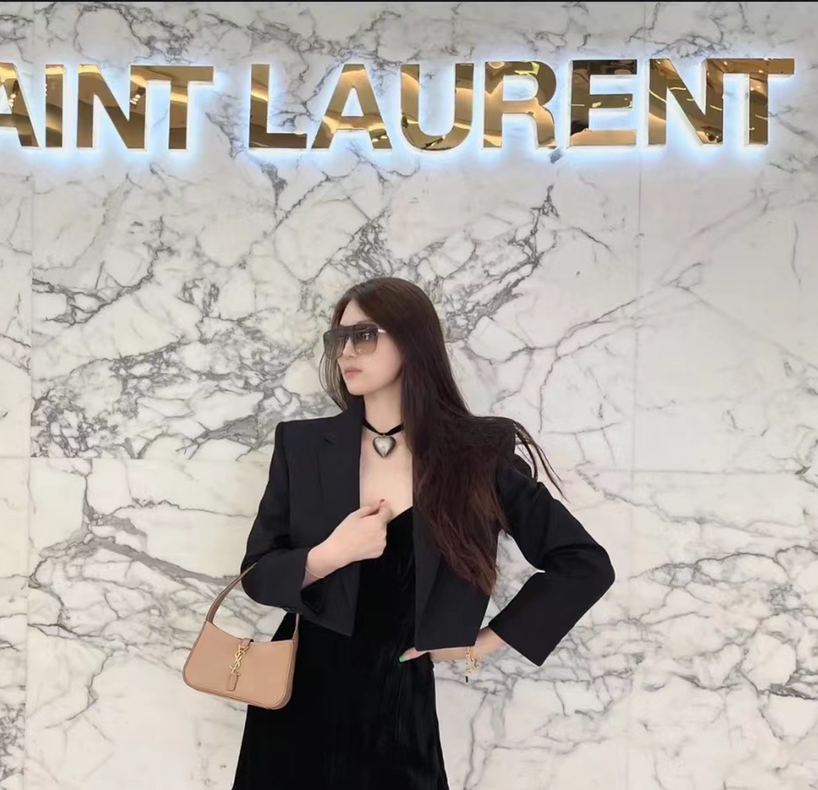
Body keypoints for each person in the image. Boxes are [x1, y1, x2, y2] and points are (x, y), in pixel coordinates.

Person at [230, 276, 616, 789]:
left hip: (399, 704)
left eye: (364, 335)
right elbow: (257, 576)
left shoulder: (475, 456)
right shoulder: (302, 447)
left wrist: (482, 643)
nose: (346, 351)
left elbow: (583, 565)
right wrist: (328, 555)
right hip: (296, 697)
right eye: (339, 338)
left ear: (413, 342)